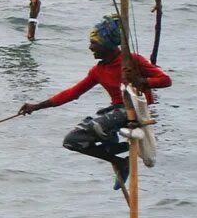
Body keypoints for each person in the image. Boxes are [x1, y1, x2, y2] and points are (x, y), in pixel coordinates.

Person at [18, 14, 171, 189]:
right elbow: (72, 93)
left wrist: (141, 82)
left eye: (94, 43)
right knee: (71, 141)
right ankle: (119, 160)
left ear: (107, 44)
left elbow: (165, 80)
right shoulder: (98, 70)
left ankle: (125, 150)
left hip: (133, 109)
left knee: (97, 126)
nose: (91, 47)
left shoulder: (132, 60)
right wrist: (37, 106)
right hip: (115, 110)